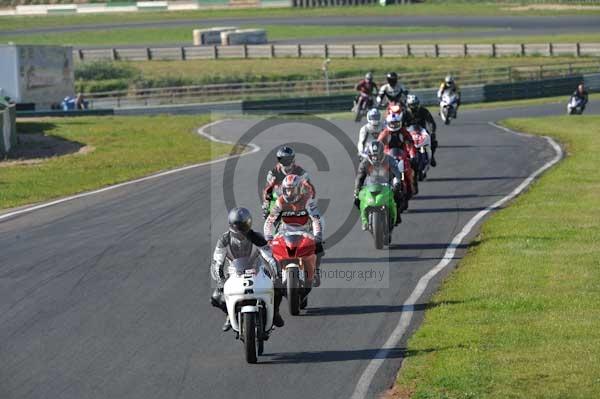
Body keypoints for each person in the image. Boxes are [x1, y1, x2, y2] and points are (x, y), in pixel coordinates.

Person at [210, 207, 285, 332]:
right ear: (231, 225)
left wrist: (277, 276)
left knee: (278, 288)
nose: (240, 231)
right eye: (238, 227)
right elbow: (217, 262)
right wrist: (220, 281)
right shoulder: (224, 240)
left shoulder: (257, 237)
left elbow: (271, 258)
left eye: (243, 226)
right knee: (216, 298)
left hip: (257, 271)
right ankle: (229, 314)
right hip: (234, 273)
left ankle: (275, 312)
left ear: (248, 224)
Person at [264, 174, 324, 288]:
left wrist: (318, 236)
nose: (289, 194)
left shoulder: (307, 200)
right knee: (268, 251)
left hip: (304, 230)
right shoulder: (280, 201)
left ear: (299, 189)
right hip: (284, 231)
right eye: (287, 190)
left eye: (292, 190)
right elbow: (269, 221)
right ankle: (275, 274)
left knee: (318, 246)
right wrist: (268, 237)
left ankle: (316, 271)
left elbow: (316, 219)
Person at [354, 140, 404, 231]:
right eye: (373, 156)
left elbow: (396, 173)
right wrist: (357, 188)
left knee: (400, 195)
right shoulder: (365, 163)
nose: (375, 158)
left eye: (377, 155)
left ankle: (397, 215)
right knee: (356, 199)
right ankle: (365, 220)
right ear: (369, 154)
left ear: (382, 153)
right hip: (370, 186)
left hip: (387, 184)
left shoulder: (390, 160)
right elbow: (360, 177)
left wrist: (397, 183)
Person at [262, 146, 316, 219]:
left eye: (287, 160)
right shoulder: (273, 172)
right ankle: (273, 222)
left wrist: (310, 198)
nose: (285, 163)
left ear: (293, 160)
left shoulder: (301, 172)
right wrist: (266, 204)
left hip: (296, 197)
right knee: (269, 210)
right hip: (280, 197)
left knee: (312, 213)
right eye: (282, 160)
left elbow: (309, 187)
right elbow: (268, 189)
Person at [377, 112, 416, 199]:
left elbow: (410, 143)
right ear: (388, 123)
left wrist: (412, 155)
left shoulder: (403, 131)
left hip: (402, 155)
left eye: (396, 123)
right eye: (392, 123)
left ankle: (410, 189)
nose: (394, 125)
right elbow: (378, 144)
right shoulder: (385, 133)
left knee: (408, 171)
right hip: (388, 156)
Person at [404, 94, 438, 167]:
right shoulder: (405, 113)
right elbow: (400, 123)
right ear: (408, 105)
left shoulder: (423, 111)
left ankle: (431, 157)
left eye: (415, 104)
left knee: (433, 140)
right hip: (409, 132)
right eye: (412, 105)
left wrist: (432, 132)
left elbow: (431, 122)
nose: (414, 107)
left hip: (422, 131)